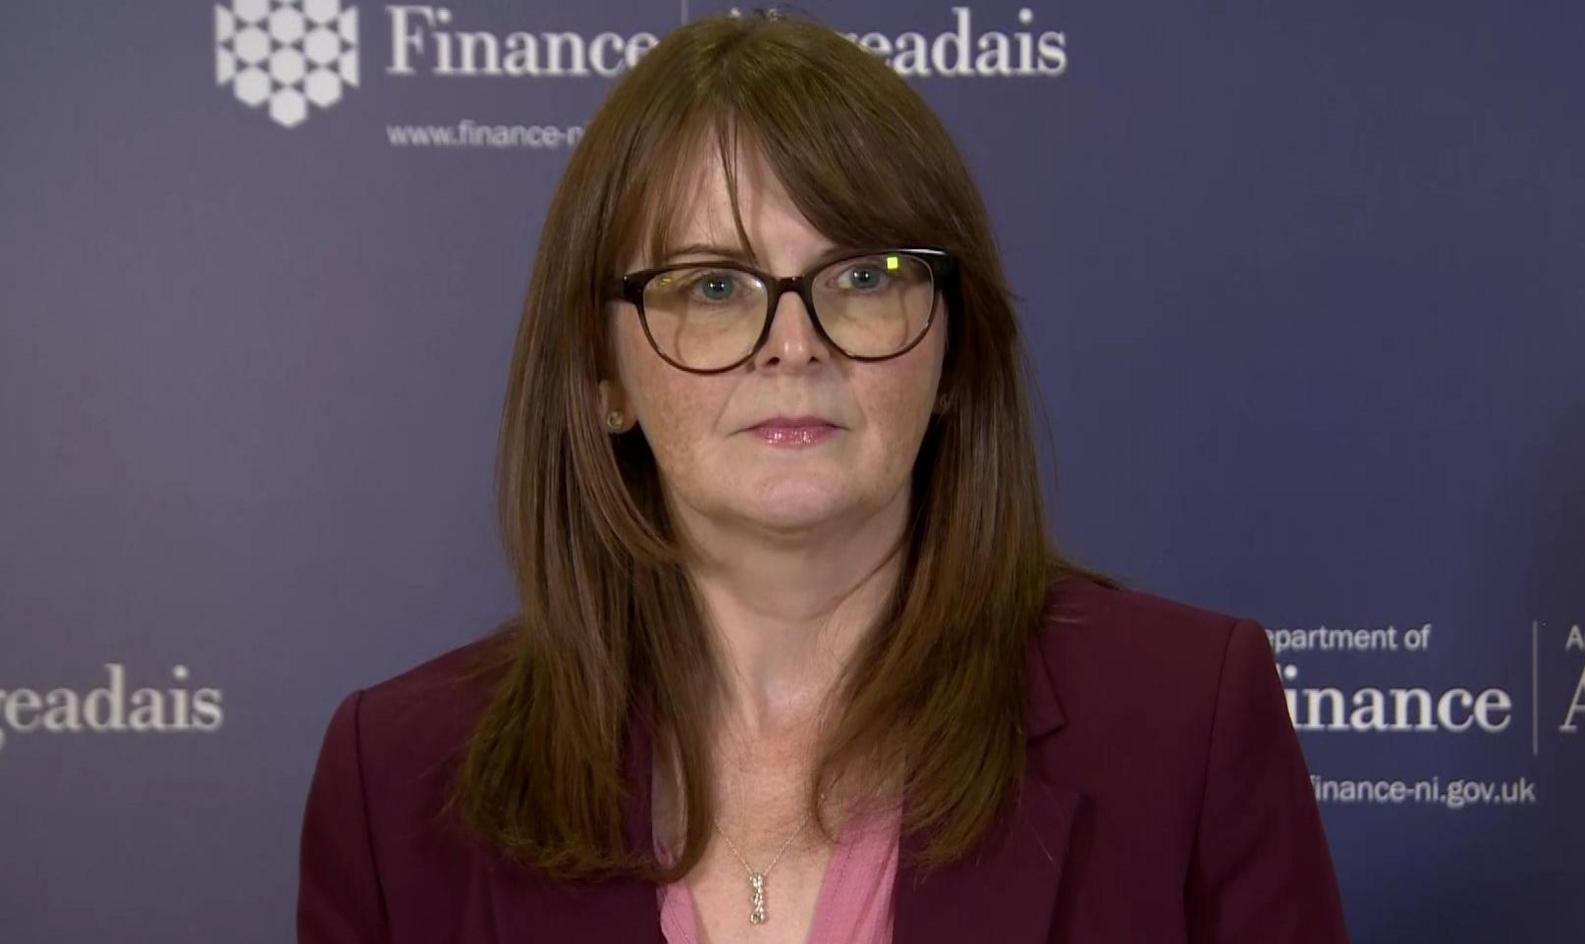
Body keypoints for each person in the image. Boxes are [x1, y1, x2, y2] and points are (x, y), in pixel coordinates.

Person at [297, 10, 1349, 943]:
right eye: (712, 283)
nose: (791, 343)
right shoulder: (398, 780)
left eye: (863, 277)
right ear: (601, 374)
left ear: (950, 353)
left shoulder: (1181, 721)